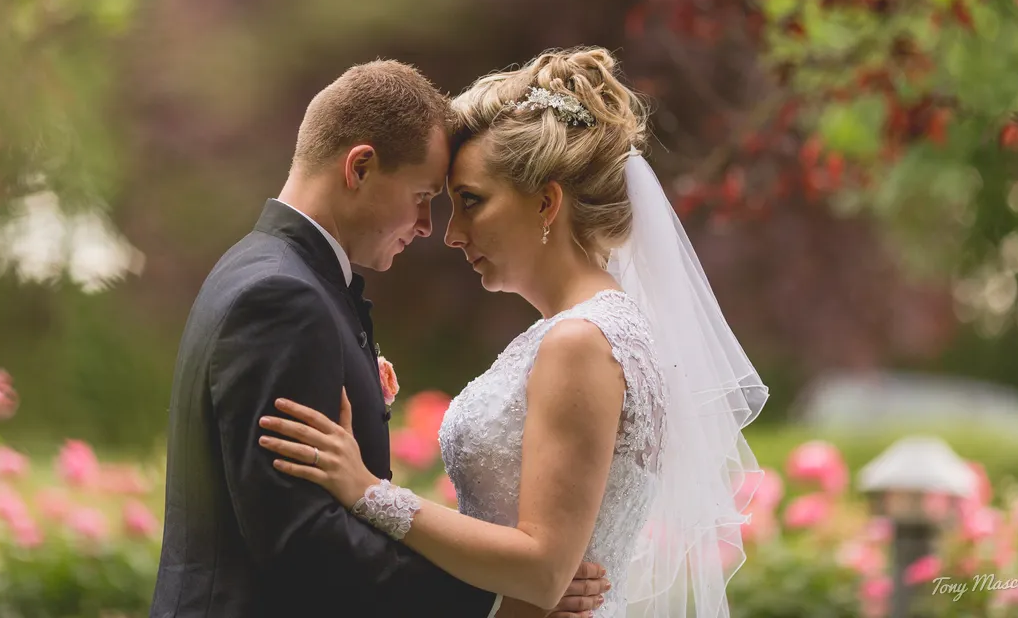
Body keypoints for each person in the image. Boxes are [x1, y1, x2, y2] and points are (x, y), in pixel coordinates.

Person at [258, 48, 769, 618]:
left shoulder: (581, 342)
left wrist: (367, 492)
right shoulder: (582, 331)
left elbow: (543, 569)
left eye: (471, 202)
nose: (451, 234)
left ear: (547, 202)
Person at [149, 60, 609, 618]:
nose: (427, 226)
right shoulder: (280, 298)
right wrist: (497, 602)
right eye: (422, 196)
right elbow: (301, 540)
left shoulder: (271, 273)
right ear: (360, 167)